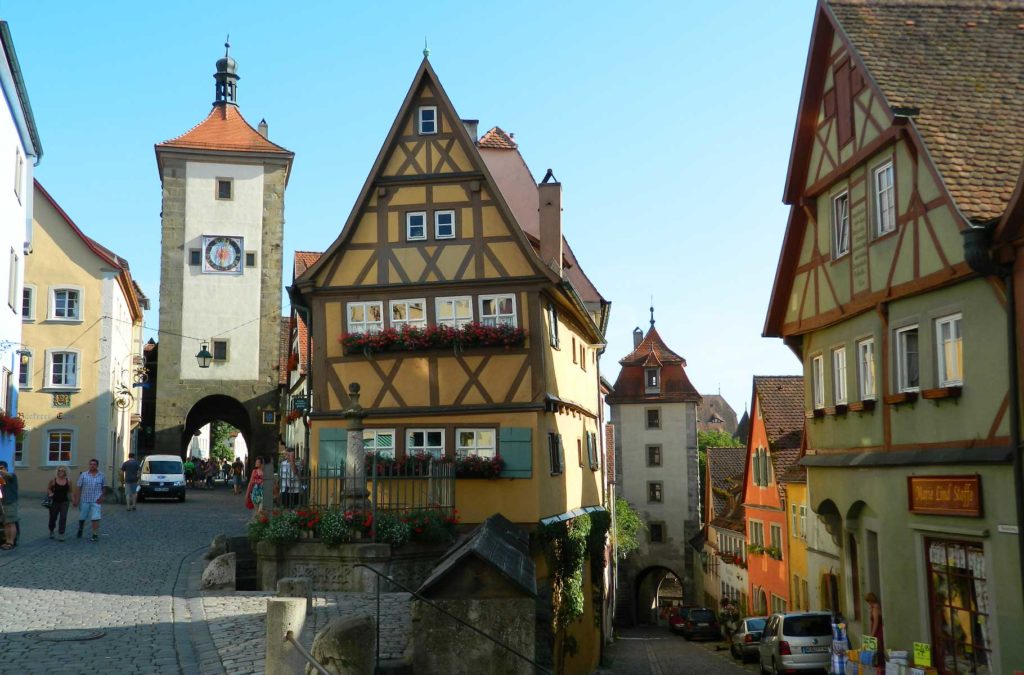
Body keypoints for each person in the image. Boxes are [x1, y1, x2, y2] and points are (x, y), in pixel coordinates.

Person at [73, 458, 105, 542]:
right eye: (91, 464)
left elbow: (103, 487)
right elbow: (78, 487)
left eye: (94, 464)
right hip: (85, 499)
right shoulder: (84, 475)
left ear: (97, 466)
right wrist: (77, 499)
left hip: (96, 500)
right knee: (82, 517)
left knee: (95, 517)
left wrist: (102, 497)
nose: (92, 466)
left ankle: (95, 534)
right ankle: (80, 528)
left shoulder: (101, 475)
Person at [47, 465, 72, 540]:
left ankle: (61, 533)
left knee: (63, 517)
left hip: (64, 502)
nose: (60, 472)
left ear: (65, 472)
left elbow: (71, 491)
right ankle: (51, 530)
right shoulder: (53, 480)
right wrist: (50, 493)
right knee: (53, 518)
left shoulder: (68, 481)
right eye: (59, 470)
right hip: (54, 502)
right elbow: (48, 489)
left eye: (62, 471)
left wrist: (74, 500)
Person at [0, 460, 18, 550]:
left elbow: (9, 475)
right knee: (6, 523)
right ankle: (7, 541)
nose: (1, 470)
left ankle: (12, 542)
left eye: (1, 468)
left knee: (11, 522)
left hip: (11, 502)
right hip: (3, 504)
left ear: (6, 468)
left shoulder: (12, 476)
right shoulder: (1, 479)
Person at [865, 592, 884, 664]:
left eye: (868, 601)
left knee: (878, 649)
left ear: (871, 600)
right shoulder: (874, 607)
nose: (868, 603)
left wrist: (872, 634)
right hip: (876, 630)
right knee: (876, 649)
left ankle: (880, 665)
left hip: (877, 631)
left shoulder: (875, 607)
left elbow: (876, 622)